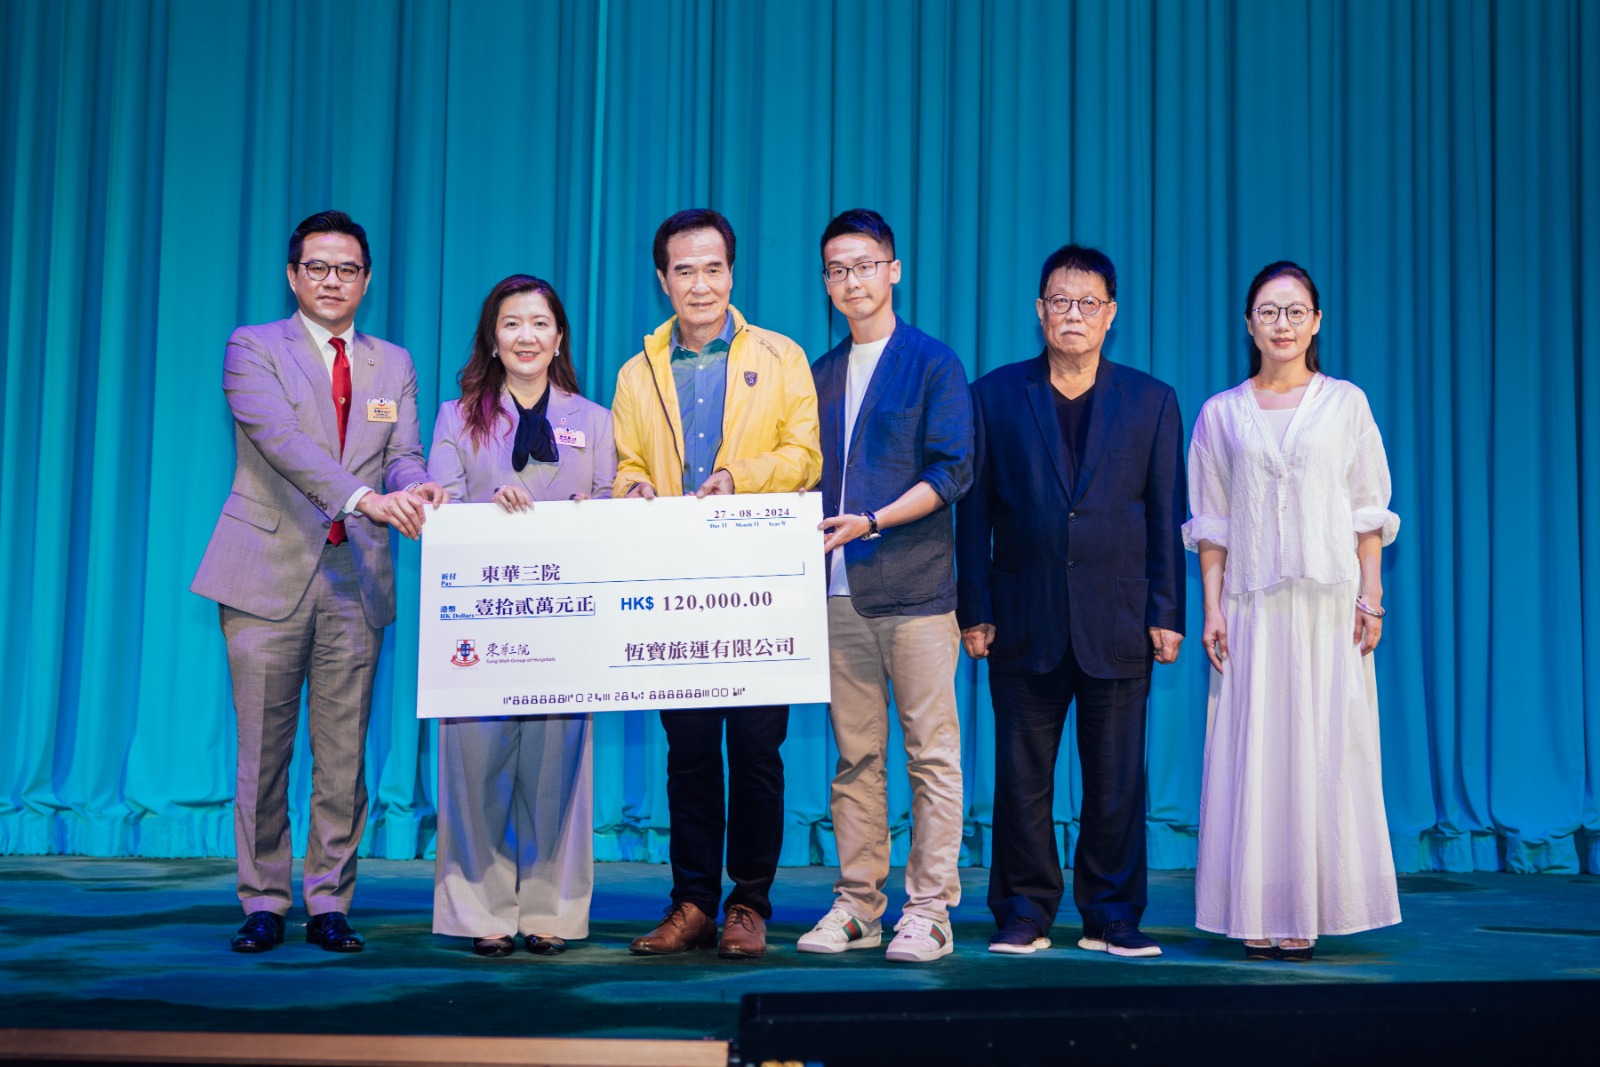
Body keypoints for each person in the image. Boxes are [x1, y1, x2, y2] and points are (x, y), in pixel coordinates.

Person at [191, 209, 447, 953]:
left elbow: (402, 452)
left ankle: (330, 899)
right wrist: (366, 498)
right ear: (292, 275)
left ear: (366, 279)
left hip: (355, 579)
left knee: (343, 757)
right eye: (318, 267)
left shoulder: (392, 362)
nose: (333, 280)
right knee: (263, 753)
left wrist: (416, 485)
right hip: (264, 574)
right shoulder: (252, 347)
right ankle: (264, 900)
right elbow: (281, 442)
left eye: (347, 269)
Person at [956, 244, 1185, 959]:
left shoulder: (1151, 402)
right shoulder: (995, 396)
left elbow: (1166, 517)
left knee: (1115, 782)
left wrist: (1166, 612)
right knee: (1022, 780)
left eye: (1089, 303)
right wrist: (974, 607)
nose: (1074, 315)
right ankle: (1023, 911)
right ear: (1040, 310)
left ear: (1111, 314)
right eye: (1061, 301)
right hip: (1022, 618)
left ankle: (1111, 914)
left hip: (1117, 621)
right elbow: (973, 516)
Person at [613, 208, 821, 959]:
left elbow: (805, 455)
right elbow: (626, 462)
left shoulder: (782, 356)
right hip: (675, 588)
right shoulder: (636, 372)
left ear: (732, 273)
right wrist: (632, 487)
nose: (700, 284)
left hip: (762, 585)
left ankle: (749, 905)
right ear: (662, 279)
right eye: (684, 270)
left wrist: (739, 477)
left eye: (713, 268)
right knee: (690, 751)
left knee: (758, 753)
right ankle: (693, 902)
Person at [1185, 261, 1400, 961]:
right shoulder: (1220, 414)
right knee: (1255, 752)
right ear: (1249, 324)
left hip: (1327, 605)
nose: (1282, 324)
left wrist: (1371, 595)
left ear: (1316, 321)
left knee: (1324, 748)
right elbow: (1212, 523)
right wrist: (1212, 609)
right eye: (1269, 312)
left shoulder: (1346, 404)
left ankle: (1309, 906)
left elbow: (1367, 508)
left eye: (1295, 311)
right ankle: (1255, 905)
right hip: (1251, 606)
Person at [797, 209, 973, 963]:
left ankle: (929, 910)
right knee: (855, 759)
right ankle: (858, 904)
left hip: (917, 593)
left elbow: (952, 470)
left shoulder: (933, 363)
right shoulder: (818, 373)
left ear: (893, 270)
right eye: (837, 270)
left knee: (931, 756)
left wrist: (872, 521)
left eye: (864, 265)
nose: (852, 281)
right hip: (836, 596)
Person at [427, 275, 615, 958]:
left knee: (557, 772)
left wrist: (602, 508)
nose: (526, 336)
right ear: (492, 338)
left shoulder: (594, 419)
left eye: (540, 323)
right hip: (482, 623)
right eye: (512, 323)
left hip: (565, 625)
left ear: (559, 338)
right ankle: (481, 910)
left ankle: (550, 910)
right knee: (475, 768)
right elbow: (438, 503)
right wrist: (485, 509)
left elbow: (614, 499)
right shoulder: (456, 417)